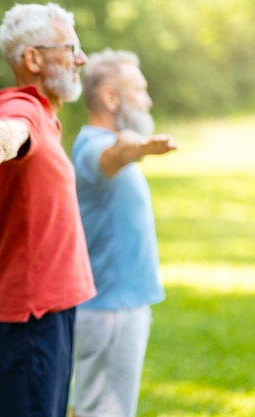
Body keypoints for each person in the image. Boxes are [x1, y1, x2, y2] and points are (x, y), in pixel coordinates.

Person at [0, 4, 96, 417]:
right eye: (70, 47)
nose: (81, 58)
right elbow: (12, 126)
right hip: (30, 314)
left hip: (50, 306)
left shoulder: (45, 116)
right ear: (33, 59)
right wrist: (0, 138)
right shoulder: (23, 108)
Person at [70, 49, 177, 417]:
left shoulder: (102, 144)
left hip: (121, 305)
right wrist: (141, 147)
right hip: (108, 309)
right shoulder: (92, 146)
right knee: (102, 410)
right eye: (139, 90)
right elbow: (114, 155)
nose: (147, 100)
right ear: (110, 97)